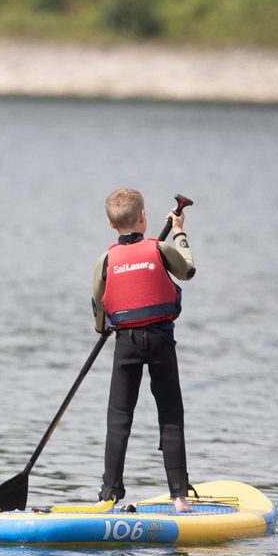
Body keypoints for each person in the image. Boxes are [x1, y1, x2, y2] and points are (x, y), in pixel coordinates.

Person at [91, 188, 196, 513]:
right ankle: (179, 496)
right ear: (143, 218)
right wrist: (179, 232)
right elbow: (187, 270)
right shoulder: (160, 248)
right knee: (170, 414)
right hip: (161, 339)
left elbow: (98, 303)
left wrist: (102, 328)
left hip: (126, 344)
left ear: (110, 224)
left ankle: (109, 495)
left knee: (119, 417)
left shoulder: (106, 259)